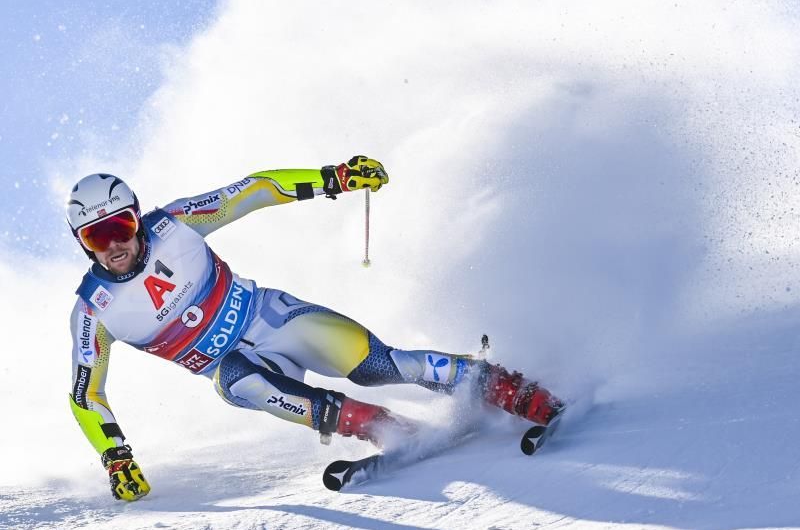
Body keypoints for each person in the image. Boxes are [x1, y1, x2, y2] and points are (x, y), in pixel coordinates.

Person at [66, 157, 564, 501]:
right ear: (83, 243)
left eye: (121, 226)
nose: (113, 245)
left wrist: (335, 177)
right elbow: (86, 394)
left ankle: (512, 390)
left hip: (274, 320)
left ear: (136, 218)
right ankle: (388, 430)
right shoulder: (94, 312)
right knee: (244, 384)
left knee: (377, 365)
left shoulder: (175, 224)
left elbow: (255, 190)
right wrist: (116, 456)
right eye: (96, 235)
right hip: (234, 364)